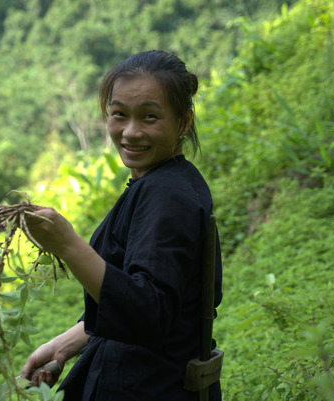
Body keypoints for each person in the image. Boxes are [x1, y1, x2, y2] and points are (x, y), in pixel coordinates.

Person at [20, 50, 222, 400]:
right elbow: (145, 300)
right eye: (119, 115)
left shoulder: (167, 195)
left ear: (184, 122)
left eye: (149, 117)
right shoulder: (163, 182)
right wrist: (64, 344)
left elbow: (148, 313)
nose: (130, 132)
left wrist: (68, 244)